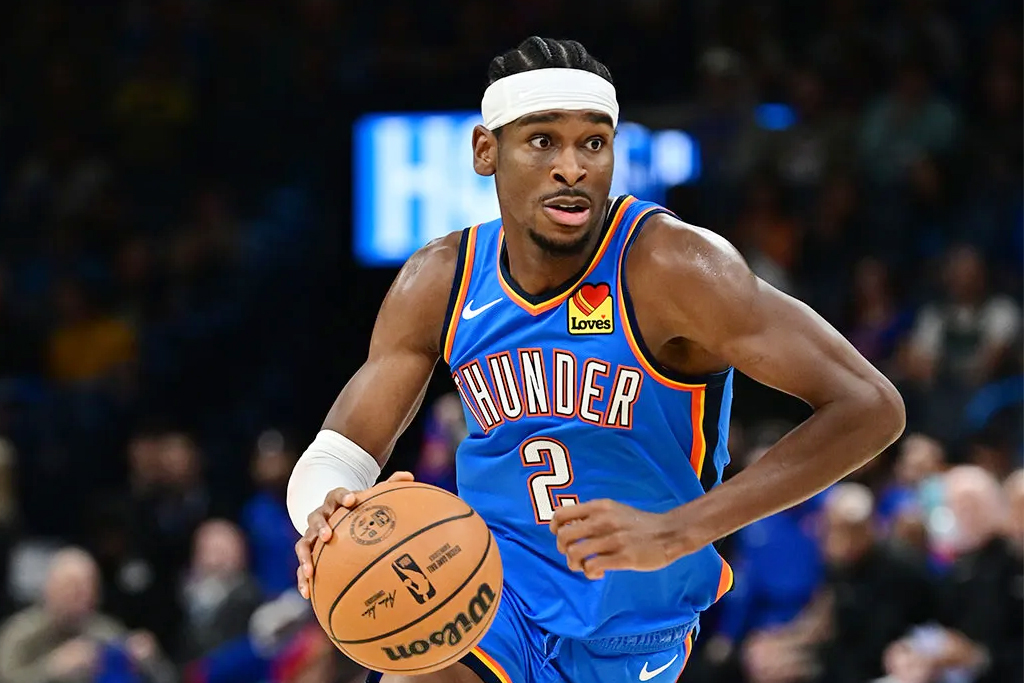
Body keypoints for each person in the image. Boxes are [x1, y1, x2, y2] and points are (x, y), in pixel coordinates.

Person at [287, 37, 906, 683]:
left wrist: (681, 529)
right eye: (542, 141)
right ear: (485, 151)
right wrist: (327, 515)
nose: (572, 167)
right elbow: (340, 453)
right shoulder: (441, 279)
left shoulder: (673, 266)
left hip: (633, 625)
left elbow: (870, 406)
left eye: (593, 142)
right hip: (487, 594)